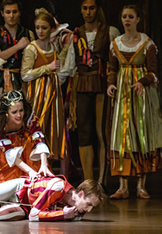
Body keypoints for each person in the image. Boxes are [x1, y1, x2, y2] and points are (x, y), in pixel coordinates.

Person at [107, 5, 162, 199]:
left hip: (141, 96)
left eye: (131, 16)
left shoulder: (147, 43)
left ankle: (141, 186)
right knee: (122, 138)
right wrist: (111, 84)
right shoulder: (115, 44)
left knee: (140, 136)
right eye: (124, 17)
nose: (127, 20)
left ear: (138, 19)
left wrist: (142, 82)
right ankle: (122, 187)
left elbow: (153, 72)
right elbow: (112, 69)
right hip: (123, 94)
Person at [66, 0, 120, 183]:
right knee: (84, 132)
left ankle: (102, 181)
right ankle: (88, 181)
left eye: (91, 8)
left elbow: (115, 60)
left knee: (102, 132)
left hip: (101, 83)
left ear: (97, 9)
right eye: (85, 8)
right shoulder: (76, 34)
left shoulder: (109, 31)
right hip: (82, 83)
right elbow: (69, 64)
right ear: (81, 10)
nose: (88, 12)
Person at [21, 8, 69, 172]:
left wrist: (66, 49)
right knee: (36, 127)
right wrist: (46, 68)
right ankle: (32, 167)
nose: (40, 31)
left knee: (52, 129)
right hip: (37, 94)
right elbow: (25, 75)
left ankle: (50, 169)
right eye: (38, 28)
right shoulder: (32, 49)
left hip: (52, 94)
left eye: (44, 28)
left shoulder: (53, 46)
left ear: (51, 29)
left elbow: (58, 64)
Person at [0, 0, 34, 110]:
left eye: (14, 12)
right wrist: (18, 46)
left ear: (19, 13)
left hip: (21, 80)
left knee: (20, 114)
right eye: (8, 12)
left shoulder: (28, 34)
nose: (11, 16)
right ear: (2, 13)